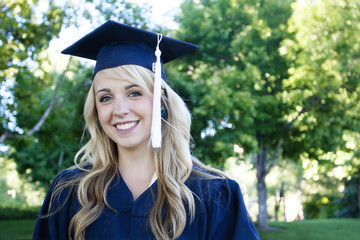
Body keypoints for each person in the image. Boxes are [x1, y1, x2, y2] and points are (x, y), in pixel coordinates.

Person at [33, 20, 260, 240]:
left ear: (161, 103)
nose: (119, 110)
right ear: (96, 111)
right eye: (105, 98)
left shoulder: (214, 195)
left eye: (134, 93)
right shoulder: (70, 192)